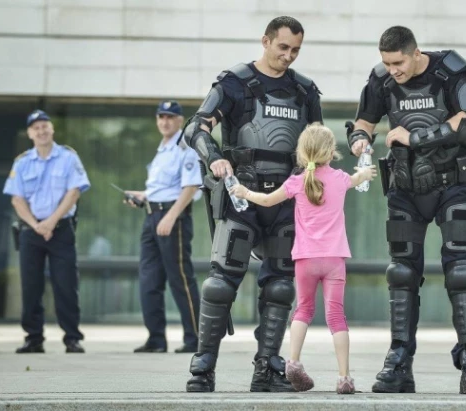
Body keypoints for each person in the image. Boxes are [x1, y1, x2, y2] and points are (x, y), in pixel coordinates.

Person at [178, 16, 323, 392]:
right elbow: (195, 127)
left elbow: (318, 148)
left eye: (295, 50)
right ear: (265, 41)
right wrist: (213, 157)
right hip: (241, 195)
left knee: (279, 285)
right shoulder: (235, 83)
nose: (288, 56)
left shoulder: (305, 91)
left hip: (287, 202)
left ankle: (268, 369)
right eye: (283, 48)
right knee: (221, 282)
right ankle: (203, 367)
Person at [347, 26, 466, 394]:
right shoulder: (381, 79)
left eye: (398, 62)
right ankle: (399, 362)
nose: (393, 69)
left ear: (415, 52)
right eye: (387, 62)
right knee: (401, 273)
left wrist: (416, 138)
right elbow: (363, 122)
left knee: (461, 270)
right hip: (404, 189)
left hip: (453, 184)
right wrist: (360, 140)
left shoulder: (450, 71)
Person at [230, 124, 377, 394]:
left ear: (301, 152)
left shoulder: (297, 182)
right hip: (334, 259)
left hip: (305, 260)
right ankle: (344, 377)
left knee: (303, 311)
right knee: (336, 316)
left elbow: (266, 200)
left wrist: (244, 193)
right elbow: (360, 179)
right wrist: (366, 170)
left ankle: (293, 362)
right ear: (332, 152)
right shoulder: (341, 178)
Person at [3, 109, 90, 354]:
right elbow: (17, 200)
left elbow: (74, 192)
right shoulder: (22, 162)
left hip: (60, 230)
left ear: (52, 129)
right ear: (30, 133)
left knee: (66, 285)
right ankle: (33, 338)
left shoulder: (68, 157)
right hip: (31, 231)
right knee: (31, 286)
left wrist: (50, 222)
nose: (41, 131)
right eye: (36, 128)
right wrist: (36, 225)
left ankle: (72, 338)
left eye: (45, 126)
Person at [124, 100, 202, 354]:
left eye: (170, 117)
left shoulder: (185, 147)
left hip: (173, 218)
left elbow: (190, 187)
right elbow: (160, 188)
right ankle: (156, 339)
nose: (165, 121)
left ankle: (195, 340)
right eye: (161, 117)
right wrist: (142, 195)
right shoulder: (162, 149)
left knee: (180, 279)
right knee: (149, 280)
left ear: (180, 120)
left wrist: (170, 216)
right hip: (151, 217)